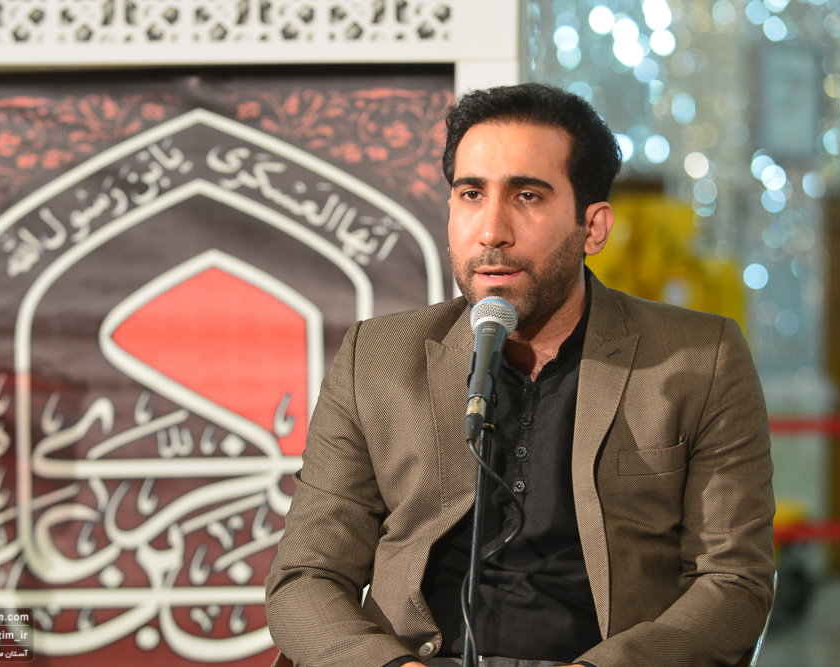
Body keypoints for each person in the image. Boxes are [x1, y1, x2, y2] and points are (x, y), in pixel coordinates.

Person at [265, 82, 775, 667]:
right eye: (471, 194)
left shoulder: (697, 359)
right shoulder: (376, 358)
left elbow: (733, 582)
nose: (491, 230)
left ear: (593, 227)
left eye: (527, 195)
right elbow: (305, 576)